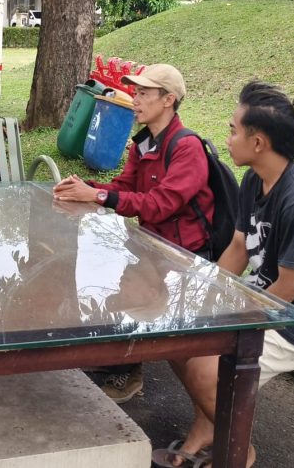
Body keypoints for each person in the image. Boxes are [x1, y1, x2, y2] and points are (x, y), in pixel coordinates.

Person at [152, 81, 294, 468]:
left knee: (204, 371)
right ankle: (206, 429)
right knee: (175, 337)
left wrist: (234, 321)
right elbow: (239, 246)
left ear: (258, 143)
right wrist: (205, 296)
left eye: (233, 131)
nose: (227, 139)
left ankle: (239, 449)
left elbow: (291, 287)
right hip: (261, 299)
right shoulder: (256, 179)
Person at [53, 63, 214, 403]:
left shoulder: (187, 147)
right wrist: (86, 188)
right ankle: (117, 357)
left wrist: (98, 196)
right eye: (135, 92)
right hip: (150, 243)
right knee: (113, 278)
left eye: (143, 93)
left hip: (183, 256)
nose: (134, 99)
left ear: (168, 99)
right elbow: (125, 187)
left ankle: (131, 368)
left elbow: (160, 205)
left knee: (130, 288)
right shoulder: (144, 143)